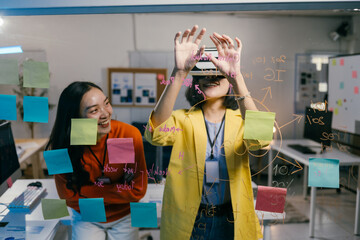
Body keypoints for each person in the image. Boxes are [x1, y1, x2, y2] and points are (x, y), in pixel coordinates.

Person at [144, 25, 269, 240]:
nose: (211, 76)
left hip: (231, 220)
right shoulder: (182, 118)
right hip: (190, 220)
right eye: (204, 71)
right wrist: (180, 71)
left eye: (218, 73)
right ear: (196, 81)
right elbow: (154, 135)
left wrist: (236, 76)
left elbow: (262, 141)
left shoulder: (243, 120)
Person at [46, 81, 147, 240]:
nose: (106, 113)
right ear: (75, 117)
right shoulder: (61, 145)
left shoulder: (125, 135)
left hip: (124, 214)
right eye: (94, 110)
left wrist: (84, 192)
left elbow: (136, 190)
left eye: (106, 103)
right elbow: (66, 196)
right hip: (86, 216)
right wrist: (114, 191)